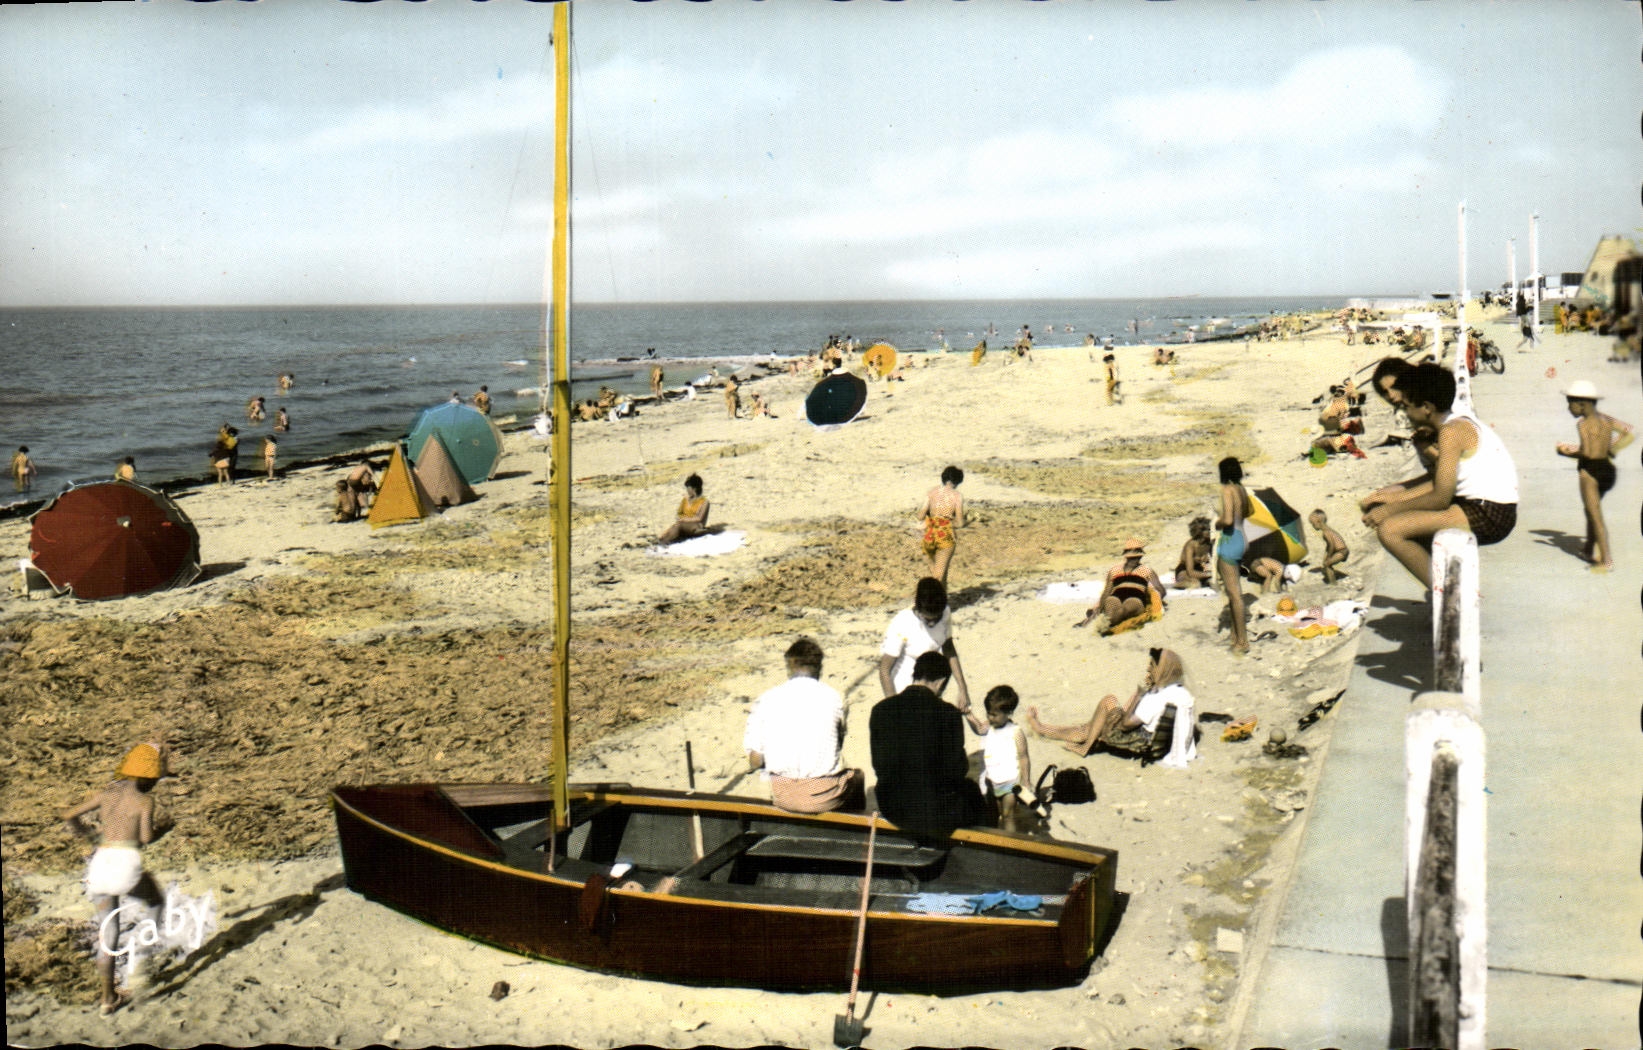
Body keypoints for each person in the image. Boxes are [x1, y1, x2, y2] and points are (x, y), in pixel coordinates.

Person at [1361, 364, 1519, 588]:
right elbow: (1440, 484)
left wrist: (1388, 510)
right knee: (1403, 521)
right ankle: (1446, 584)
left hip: (1488, 513)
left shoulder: (1450, 432)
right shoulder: (1456, 423)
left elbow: (1440, 498)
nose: (1405, 412)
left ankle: (1445, 593)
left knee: (1390, 530)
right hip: (1487, 508)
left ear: (1426, 407)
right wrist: (1391, 501)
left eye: (1406, 406)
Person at [61, 742, 171, 1016]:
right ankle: (143, 959)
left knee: (108, 933)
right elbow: (145, 838)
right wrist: (164, 829)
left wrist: (88, 835)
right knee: (156, 902)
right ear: (149, 776)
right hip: (126, 863)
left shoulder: (108, 793)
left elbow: (69, 815)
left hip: (100, 863)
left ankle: (107, 999)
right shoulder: (145, 801)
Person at [868, 651, 983, 842]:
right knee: (973, 792)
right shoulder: (949, 713)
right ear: (941, 682)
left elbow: (879, 765)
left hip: (893, 807)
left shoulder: (880, 710)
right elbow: (957, 770)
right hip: (934, 811)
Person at [743, 637, 865, 814]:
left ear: (788, 666)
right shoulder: (834, 698)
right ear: (819, 667)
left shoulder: (766, 699)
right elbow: (838, 745)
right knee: (857, 777)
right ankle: (852, 828)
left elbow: (755, 761)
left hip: (783, 796)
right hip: (824, 796)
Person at [1026, 647, 1195, 766]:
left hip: (1135, 740)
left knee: (1107, 703)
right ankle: (1043, 729)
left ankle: (1083, 746)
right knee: (1091, 726)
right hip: (1147, 738)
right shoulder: (1178, 692)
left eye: (1152, 665)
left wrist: (1139, 695)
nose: (1148, 668)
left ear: (1162, 669)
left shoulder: (1156, 698)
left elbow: (1125, 724)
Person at [1555, 380, 1634, 571]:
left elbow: (1588, 453)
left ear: (1582, 404)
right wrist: (1611, 448)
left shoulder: (1583, 424)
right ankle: (1588, 549)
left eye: (1570, 404)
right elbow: (1628, 430)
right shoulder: (1606, 419)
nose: (1568, 408)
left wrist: (1565, 452)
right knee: (1591, 510)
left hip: (1590, 472)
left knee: (1594, 514)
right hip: (1607, 470)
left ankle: (1606, 560)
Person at [879, 576, 971, 717]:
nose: (932, 624)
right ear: (918, 608)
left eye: (936, 618)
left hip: (931, 687)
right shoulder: (902, 623)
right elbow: (885, 670)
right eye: (928, 619)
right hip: (903, 689)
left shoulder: (945, 613)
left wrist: (963, 688)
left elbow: (949, 650)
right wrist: (893, 706)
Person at [974, 685, 1035, 832]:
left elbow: (1023, 757)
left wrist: (1026, 781)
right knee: (993, 814)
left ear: (1008, 713)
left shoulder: (1015, 732)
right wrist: (968, 715)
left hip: (1010, 782)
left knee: (1008, 816)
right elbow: (979, 729)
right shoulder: (990, 726)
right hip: (991, 780)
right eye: (988, 714)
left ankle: (1009, 843)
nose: (990, 718)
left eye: (994, 715)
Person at [1214, 457, 1253, 654]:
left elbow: (1228, 520)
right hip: (1242, 537)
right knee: (1233, 592)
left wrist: (1218, 522)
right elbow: (1249, 511)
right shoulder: (1241, 489)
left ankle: (1242, 642)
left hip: (1230, 540)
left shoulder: (1227, 490)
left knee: (1235, 594)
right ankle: (1235, 636)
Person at [1079, 538, 1164, 627]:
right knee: (1114, 604)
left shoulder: (1118, 570)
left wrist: (1156, 600)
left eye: (1136, 557)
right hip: (1129, 597)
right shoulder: (1145, 570)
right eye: (1132, 558)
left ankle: (1109, 622)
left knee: (1121, 608)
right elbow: (1161, 590)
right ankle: (1110, 621)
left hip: (1132, 598)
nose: (1135, 559)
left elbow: (1106, 592)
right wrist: (1095, 611)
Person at [918, 466, 965, 588]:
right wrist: (949, 521)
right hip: (944, 534)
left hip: (929, 533)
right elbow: (960, 523)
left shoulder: (931, 492)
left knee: (937, 573)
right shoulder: (956, 496)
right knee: (939, 576)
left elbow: (920, 516)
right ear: (957, 481)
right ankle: (935, 599)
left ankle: (943, 599)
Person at [658, 473, 709, 545]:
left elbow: (699, 518)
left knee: (679, 525)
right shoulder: (685, 500)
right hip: (683, 523)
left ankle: (664, 542)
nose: (687, 490)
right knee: (675, 527)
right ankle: (663, 540)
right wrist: (682, 519)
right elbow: (679, 514)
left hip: (696, 526)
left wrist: (685, 519)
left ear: (694, 488)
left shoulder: (704, 502)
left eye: (688, 488)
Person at [1309, 509, 1350, 583]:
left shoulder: (1326, 532)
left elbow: (1332, 545)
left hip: (1341, 551)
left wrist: (1329, 556)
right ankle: (1336, 577)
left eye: (1313, 524)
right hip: (1342, 550)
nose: (1313, 526)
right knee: (1327, 563)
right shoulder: (1328, 530)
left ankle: (1333, 583)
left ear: (1318, 521)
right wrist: (1326, 555)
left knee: (1327, 564)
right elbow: (1330, 545)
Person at [1173, 516, 1214, 588]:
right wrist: (1210, 574)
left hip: (1199, 569)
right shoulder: (1191, 545)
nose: (1210, 531)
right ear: (1200, 532)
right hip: (1185, 570)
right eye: (1208, 530)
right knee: (1195, 584)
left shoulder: (1209, 544)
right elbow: (1190, 572)